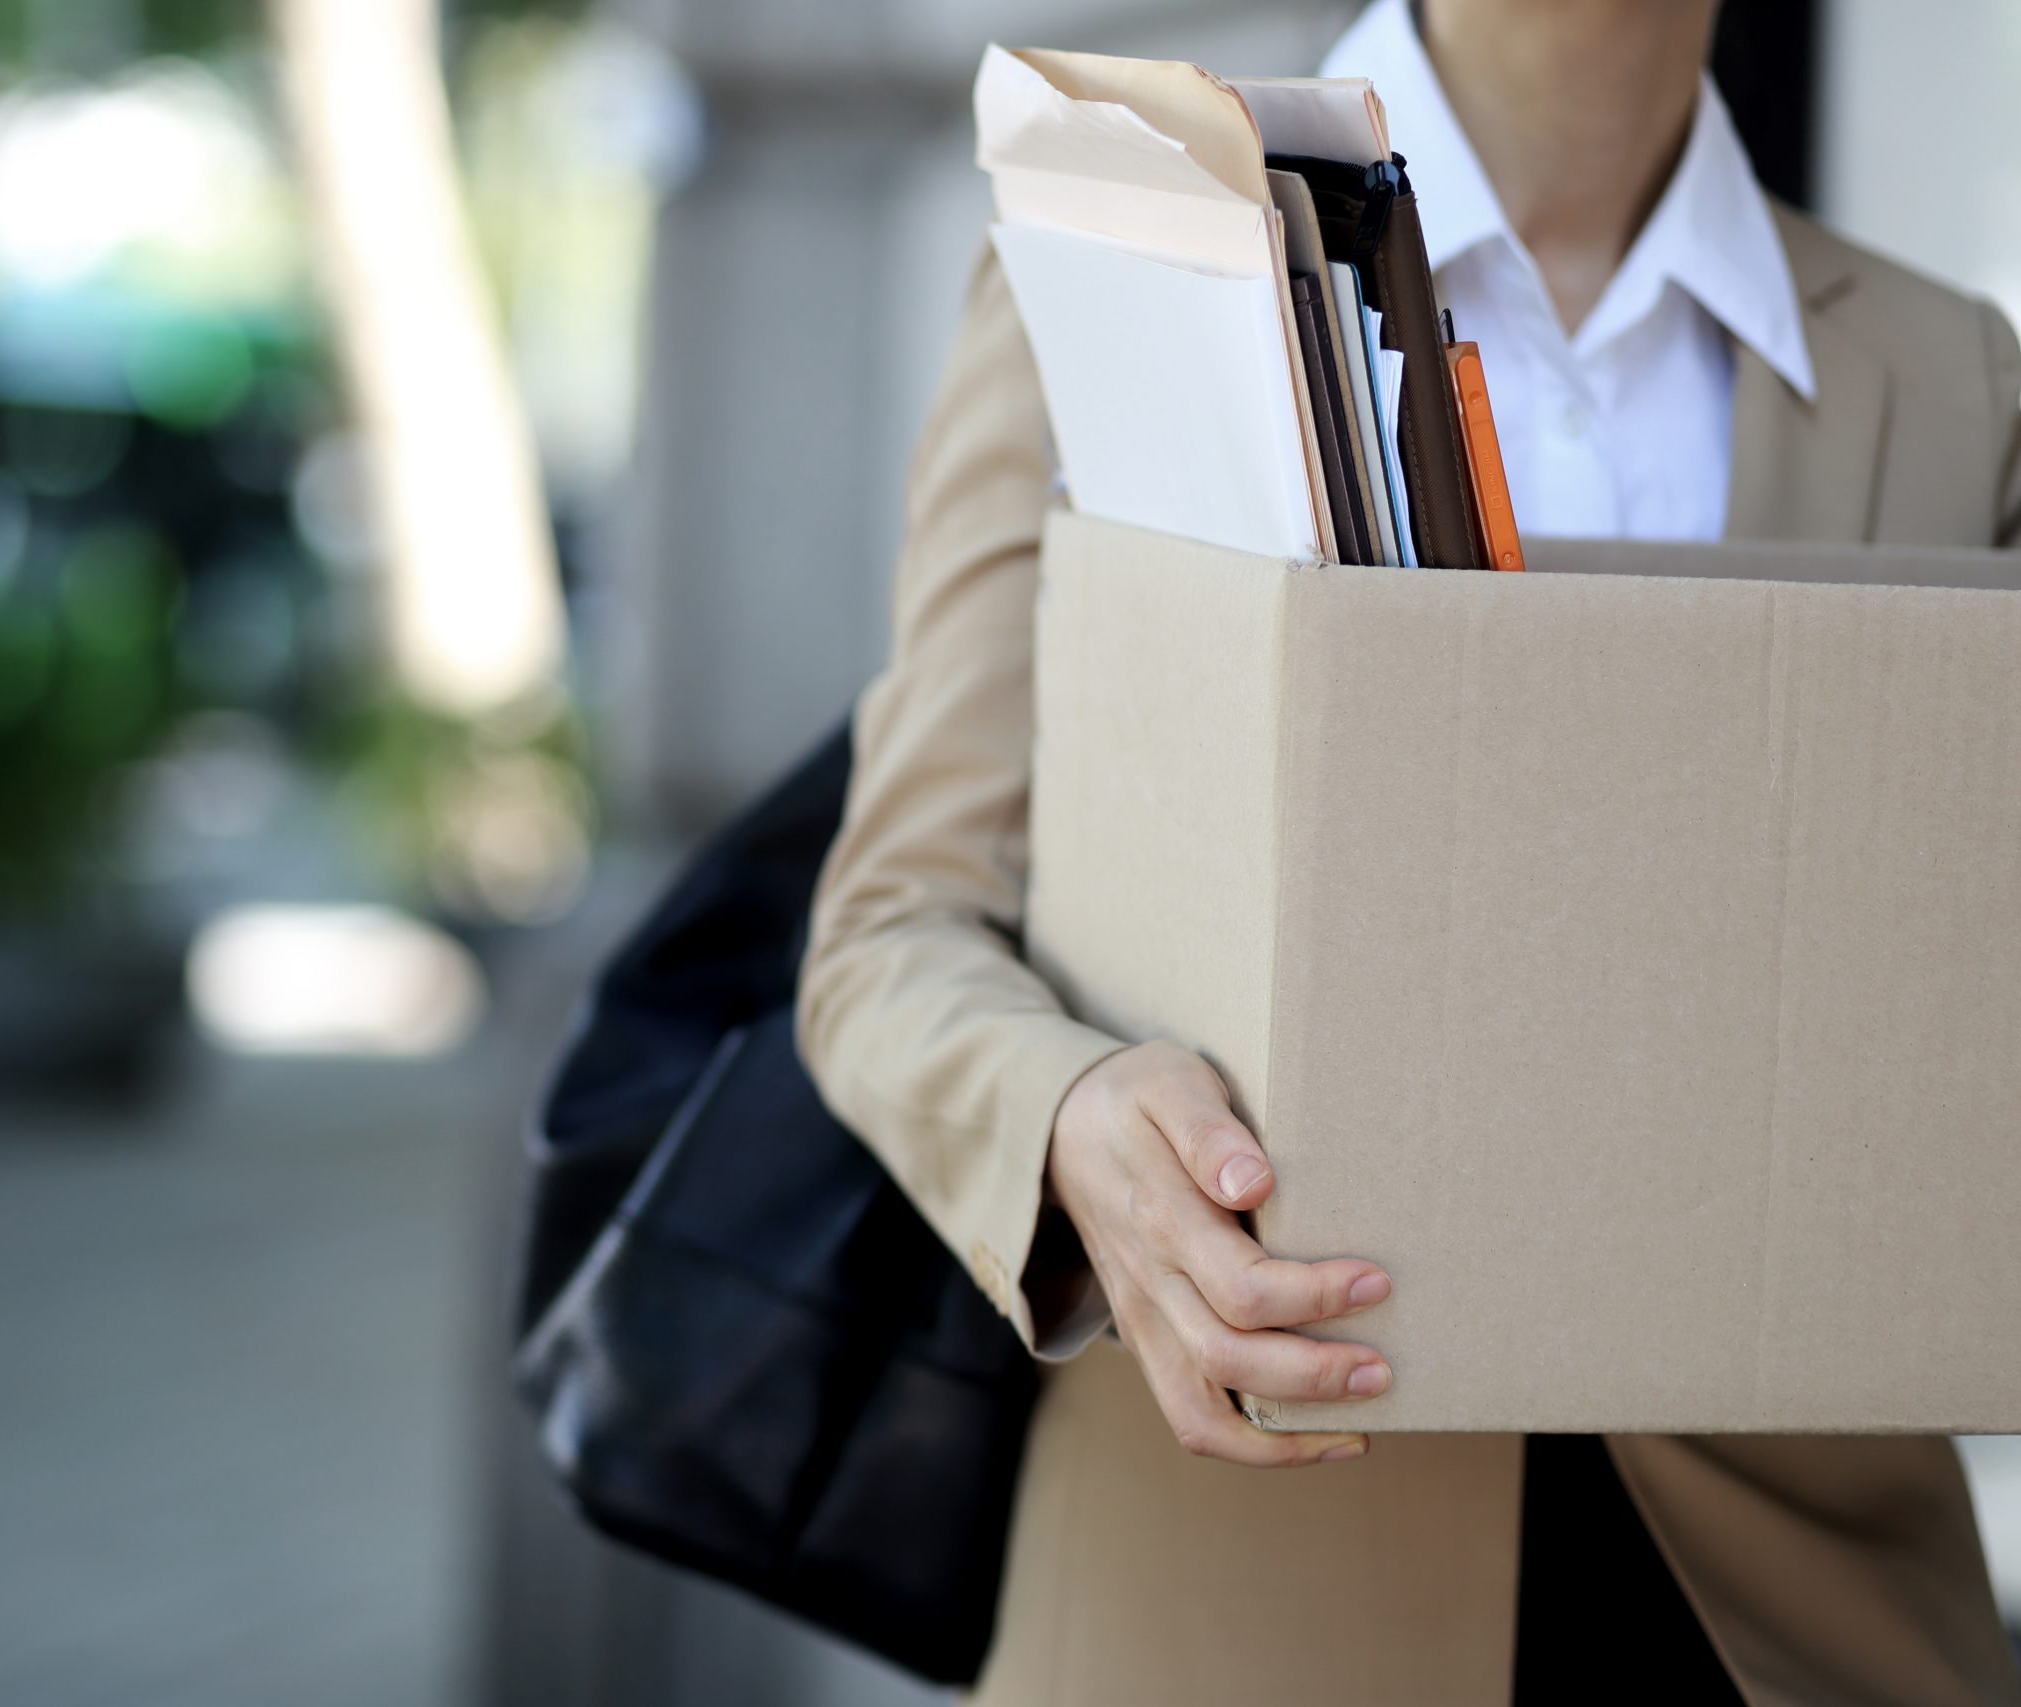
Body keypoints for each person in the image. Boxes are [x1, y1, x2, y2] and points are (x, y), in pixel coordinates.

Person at [795, 0, 2021, 1700]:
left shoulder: (1956, 379)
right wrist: (1073, 1123)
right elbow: (888, 931)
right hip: (1237, 1601)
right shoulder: (1127, 269)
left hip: (1792, 1624)